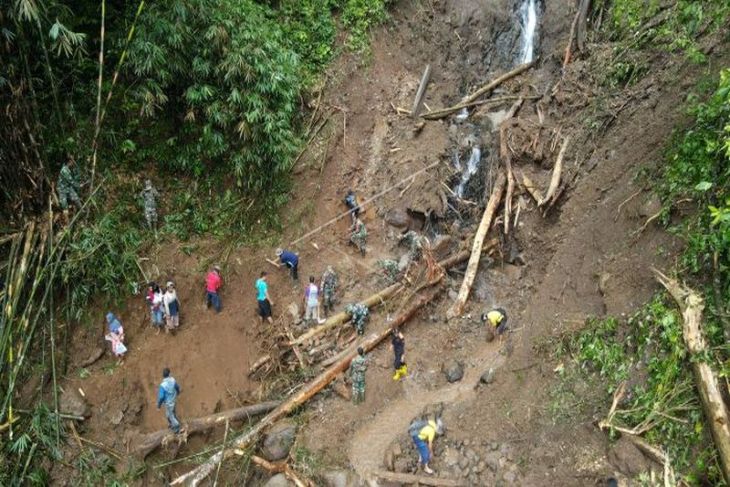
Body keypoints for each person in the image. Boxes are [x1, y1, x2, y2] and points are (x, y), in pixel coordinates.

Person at [157, 368, 182, 434]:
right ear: (169, 374)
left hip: (168, 403)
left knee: (169, 415)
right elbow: (177, 387)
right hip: (173, 400)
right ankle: (172, 424)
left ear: (163, 375)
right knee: (173, 413)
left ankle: (177, 428)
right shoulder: (173, 380)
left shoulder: (163, 385)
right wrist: (178, 392)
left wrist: (159, 405)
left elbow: (161, 397)